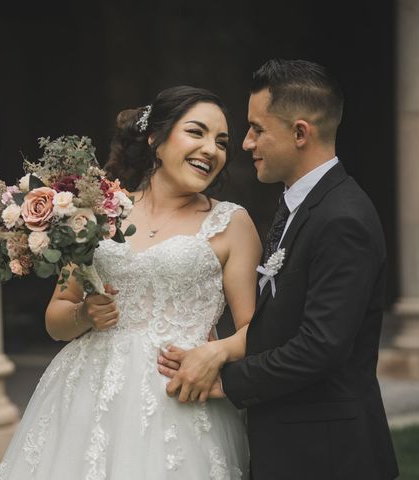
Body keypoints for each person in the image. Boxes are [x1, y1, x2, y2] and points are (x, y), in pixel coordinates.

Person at [0, 85, 262, 479]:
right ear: (156, 138)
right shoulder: (99, 214)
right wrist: (85, 313)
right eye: (197, 132)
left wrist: (216, 353)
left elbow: (255, 330)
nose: (211, 149)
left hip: (177, 400)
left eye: (221, 142)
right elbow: (56, 319)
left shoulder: (231, 224)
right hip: (87, 396)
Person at [158, 59, 399, 480]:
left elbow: (320, 346)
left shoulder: (342, 218)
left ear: (300, 133)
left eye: (257, 129)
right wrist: (216, 349)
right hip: (294, 446)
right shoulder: (302, 205)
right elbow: (281, 321)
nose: (247, 144)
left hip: (328, 456)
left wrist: (226, 381)